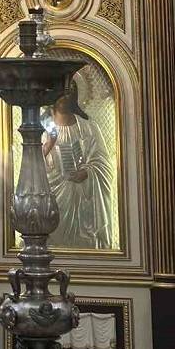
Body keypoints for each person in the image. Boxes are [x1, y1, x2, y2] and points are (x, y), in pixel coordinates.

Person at [42, 81, 114, 249]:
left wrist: (87, 172)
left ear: (74, 95)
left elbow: (104, 165)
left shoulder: (89, 128)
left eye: (69, 91)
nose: (64, 96)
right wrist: (48, 146)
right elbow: (30, 169)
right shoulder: (40, 129)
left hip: (84, 200)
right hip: (53, 200)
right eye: (61, 90)